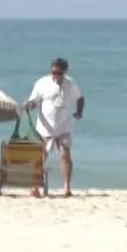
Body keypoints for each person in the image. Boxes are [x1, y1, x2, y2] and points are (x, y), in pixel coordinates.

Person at [23, 57, 85, 197]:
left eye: (59, 73)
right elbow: (33, 101)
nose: (56, 75)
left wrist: (79, 112)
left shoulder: (70, 84)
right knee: (40, 156)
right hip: (45, 128)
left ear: (65, 72)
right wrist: (29, 106)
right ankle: (34, 186)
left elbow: (80, 98)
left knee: (65, 154)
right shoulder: (42, 83)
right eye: (53, 72)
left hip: (64, 126)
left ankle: (67, 187)